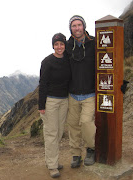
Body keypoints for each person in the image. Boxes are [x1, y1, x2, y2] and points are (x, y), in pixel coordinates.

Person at [38, 33, 71, 178]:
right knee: (51, 133)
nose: (59, 47)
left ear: (65, 45)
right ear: (53, 45)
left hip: (64, 100)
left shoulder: (67, 60)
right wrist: (41, 105)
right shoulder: (47, 62)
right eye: (56, 44)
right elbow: (43, 83)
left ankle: (53, 160)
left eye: (61, 44)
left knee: (59, 133)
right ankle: (52, 166)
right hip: (50, 101)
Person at [66, 15, 96, 168]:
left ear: (84, 26)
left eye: (79, 25)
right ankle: (76, 154)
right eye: (73, 26)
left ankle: (91, 149)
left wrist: (118, 81)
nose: (77, 28)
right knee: (73, 125)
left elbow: (109, 61)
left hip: (90, 93)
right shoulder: (67, 46)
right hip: (73, 94)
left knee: (86, 123)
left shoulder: (94, 43)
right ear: (70, 28)